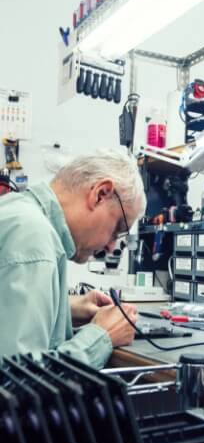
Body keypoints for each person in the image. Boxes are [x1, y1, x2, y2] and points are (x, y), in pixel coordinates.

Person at [0, 149, 146, 368]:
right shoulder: (33, 238)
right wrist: (102, 336)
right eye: (117, 229)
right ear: (100, 194)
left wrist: (66, 309)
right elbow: (18, 383)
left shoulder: (15, 209)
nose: (111, 247)